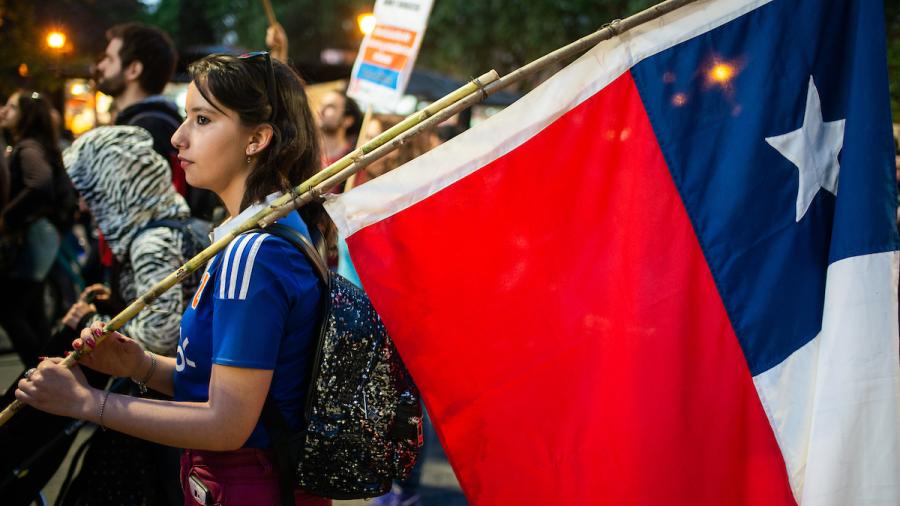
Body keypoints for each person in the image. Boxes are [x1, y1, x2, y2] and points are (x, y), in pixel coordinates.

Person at [16, 52, 331, 506]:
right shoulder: (259, 235)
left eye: (202, 120)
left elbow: (227, 423)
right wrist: (140, 366)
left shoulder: (255, 252)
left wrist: (87, 404)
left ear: (257, 139)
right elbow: (224, 384)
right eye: (187, 117)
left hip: (247, 487)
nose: (178, 137)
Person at [96, 22, 220, 221]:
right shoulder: (153, 123)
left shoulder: (145, 130)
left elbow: (134, 215)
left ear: (134, 69)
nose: (100, 66)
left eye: (109, 59)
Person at [0, 90, 77, 368]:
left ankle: (40, 372)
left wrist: (7, 217)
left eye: (11, 106)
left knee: (10, 309)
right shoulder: (38, 145)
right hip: (43, 236)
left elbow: (40, 183)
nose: (4, 111)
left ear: (25, 115)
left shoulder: (29, 148)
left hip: (34, 238)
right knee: (33, 311)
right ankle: (50, 371)